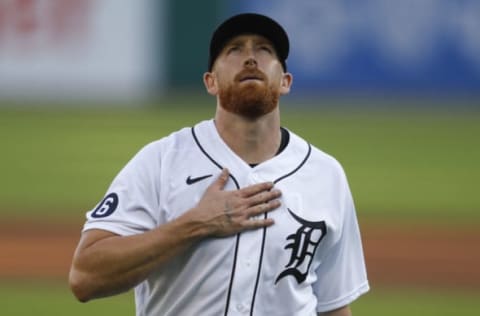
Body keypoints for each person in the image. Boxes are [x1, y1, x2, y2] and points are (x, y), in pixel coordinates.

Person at [69, 13, 369, 316]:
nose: (250, 58)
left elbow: (333, 305)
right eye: (234, 49)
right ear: (210, 82)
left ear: (285, 82)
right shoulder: (161, 161)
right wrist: (193, 225)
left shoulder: (325, 175)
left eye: (264, 49)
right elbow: (85, 277)